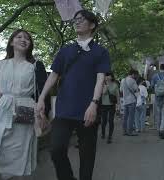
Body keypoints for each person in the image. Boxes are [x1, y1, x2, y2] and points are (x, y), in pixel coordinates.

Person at [36, 10, 110, 180]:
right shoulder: (66, 50)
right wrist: (41, 98)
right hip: (64, 109)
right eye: (75, 20)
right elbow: (53, 76)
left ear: (92, 25)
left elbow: (100, 80)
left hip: (88, 110)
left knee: (87, 155)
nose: (77, 22)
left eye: (82, 20)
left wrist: (94, 104)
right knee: (56, 149)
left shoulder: (101, 52)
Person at [0, 29, 48, 180]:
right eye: (19, 37)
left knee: (19, 148)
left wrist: (42, 113)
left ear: (30, 44)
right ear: (12, 42)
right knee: (0, 143)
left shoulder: (35, 65)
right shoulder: (1, 64)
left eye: (27, 38)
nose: (23, 39)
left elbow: (42, 92)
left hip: (25, 106)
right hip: (3, 106)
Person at [151, 64, 164, 139]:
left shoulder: (155, 76)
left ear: (160, 68)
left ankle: (159, 129)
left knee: (158, 115)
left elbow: (152, 86)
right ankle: (162, 130)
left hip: (157, 98)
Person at [101, 72, 119, 144]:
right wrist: (106, 86)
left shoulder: (115, 85)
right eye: (106, 76)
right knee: (104, 121)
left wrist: (118, 105)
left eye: (109, 76)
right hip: (103, 105)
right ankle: (103, 133)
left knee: (111, 121)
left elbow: (117, 96)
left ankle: (110, 137)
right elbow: (103, 93)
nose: (107, 77)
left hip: (111, 105)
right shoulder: (102, 84)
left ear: (112, 77)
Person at [120, 69, 139, 136]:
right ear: (133, 74)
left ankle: (124, 131)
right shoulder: (133, 81)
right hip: (132, 101)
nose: (136, 76)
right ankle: (130, 131)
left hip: (125, 101)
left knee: (125, 117)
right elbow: (136, 90)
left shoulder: (123, 80)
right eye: (136, 75)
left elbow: (121, 90)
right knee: (131, 117)